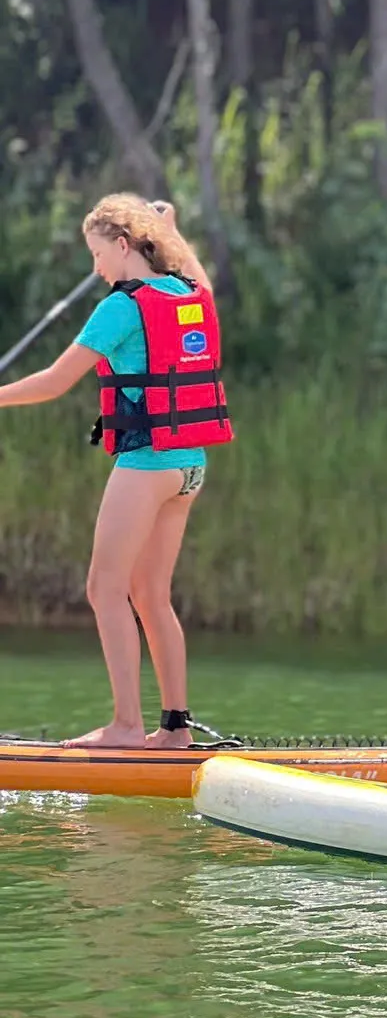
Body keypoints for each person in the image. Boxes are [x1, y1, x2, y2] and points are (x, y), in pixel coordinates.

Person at [0, 195, 232, 748]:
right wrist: (172, 228)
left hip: (147, 463)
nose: (96, 268)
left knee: (105, 589)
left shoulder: (121, 307)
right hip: (189, 467)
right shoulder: (189, 292)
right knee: (149, 594)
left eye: (98, 254)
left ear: (123, 245)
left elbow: (55, 382)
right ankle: (173, 730)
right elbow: (203, 280)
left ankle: (126, 726)